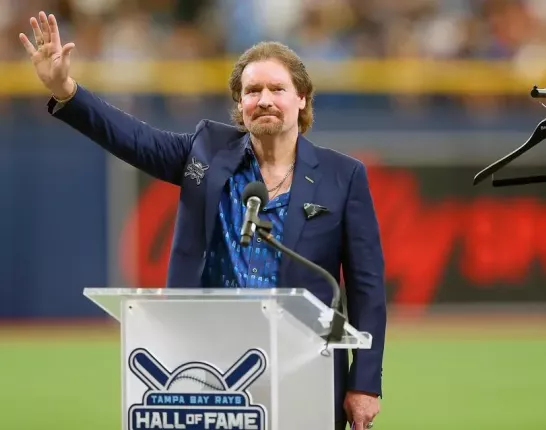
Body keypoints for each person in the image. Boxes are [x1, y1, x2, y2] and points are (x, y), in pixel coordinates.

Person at [19, 11, 386, 430]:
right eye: (252, 90)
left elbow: (366, 286)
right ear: (239, 104)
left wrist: (364, 384)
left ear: (302, 98)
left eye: (277, 88)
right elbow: (132, 138)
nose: (263, 98)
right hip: (206, 364)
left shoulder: (344, 176)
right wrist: (66, 89)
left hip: (304, 365)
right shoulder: (205, 151)